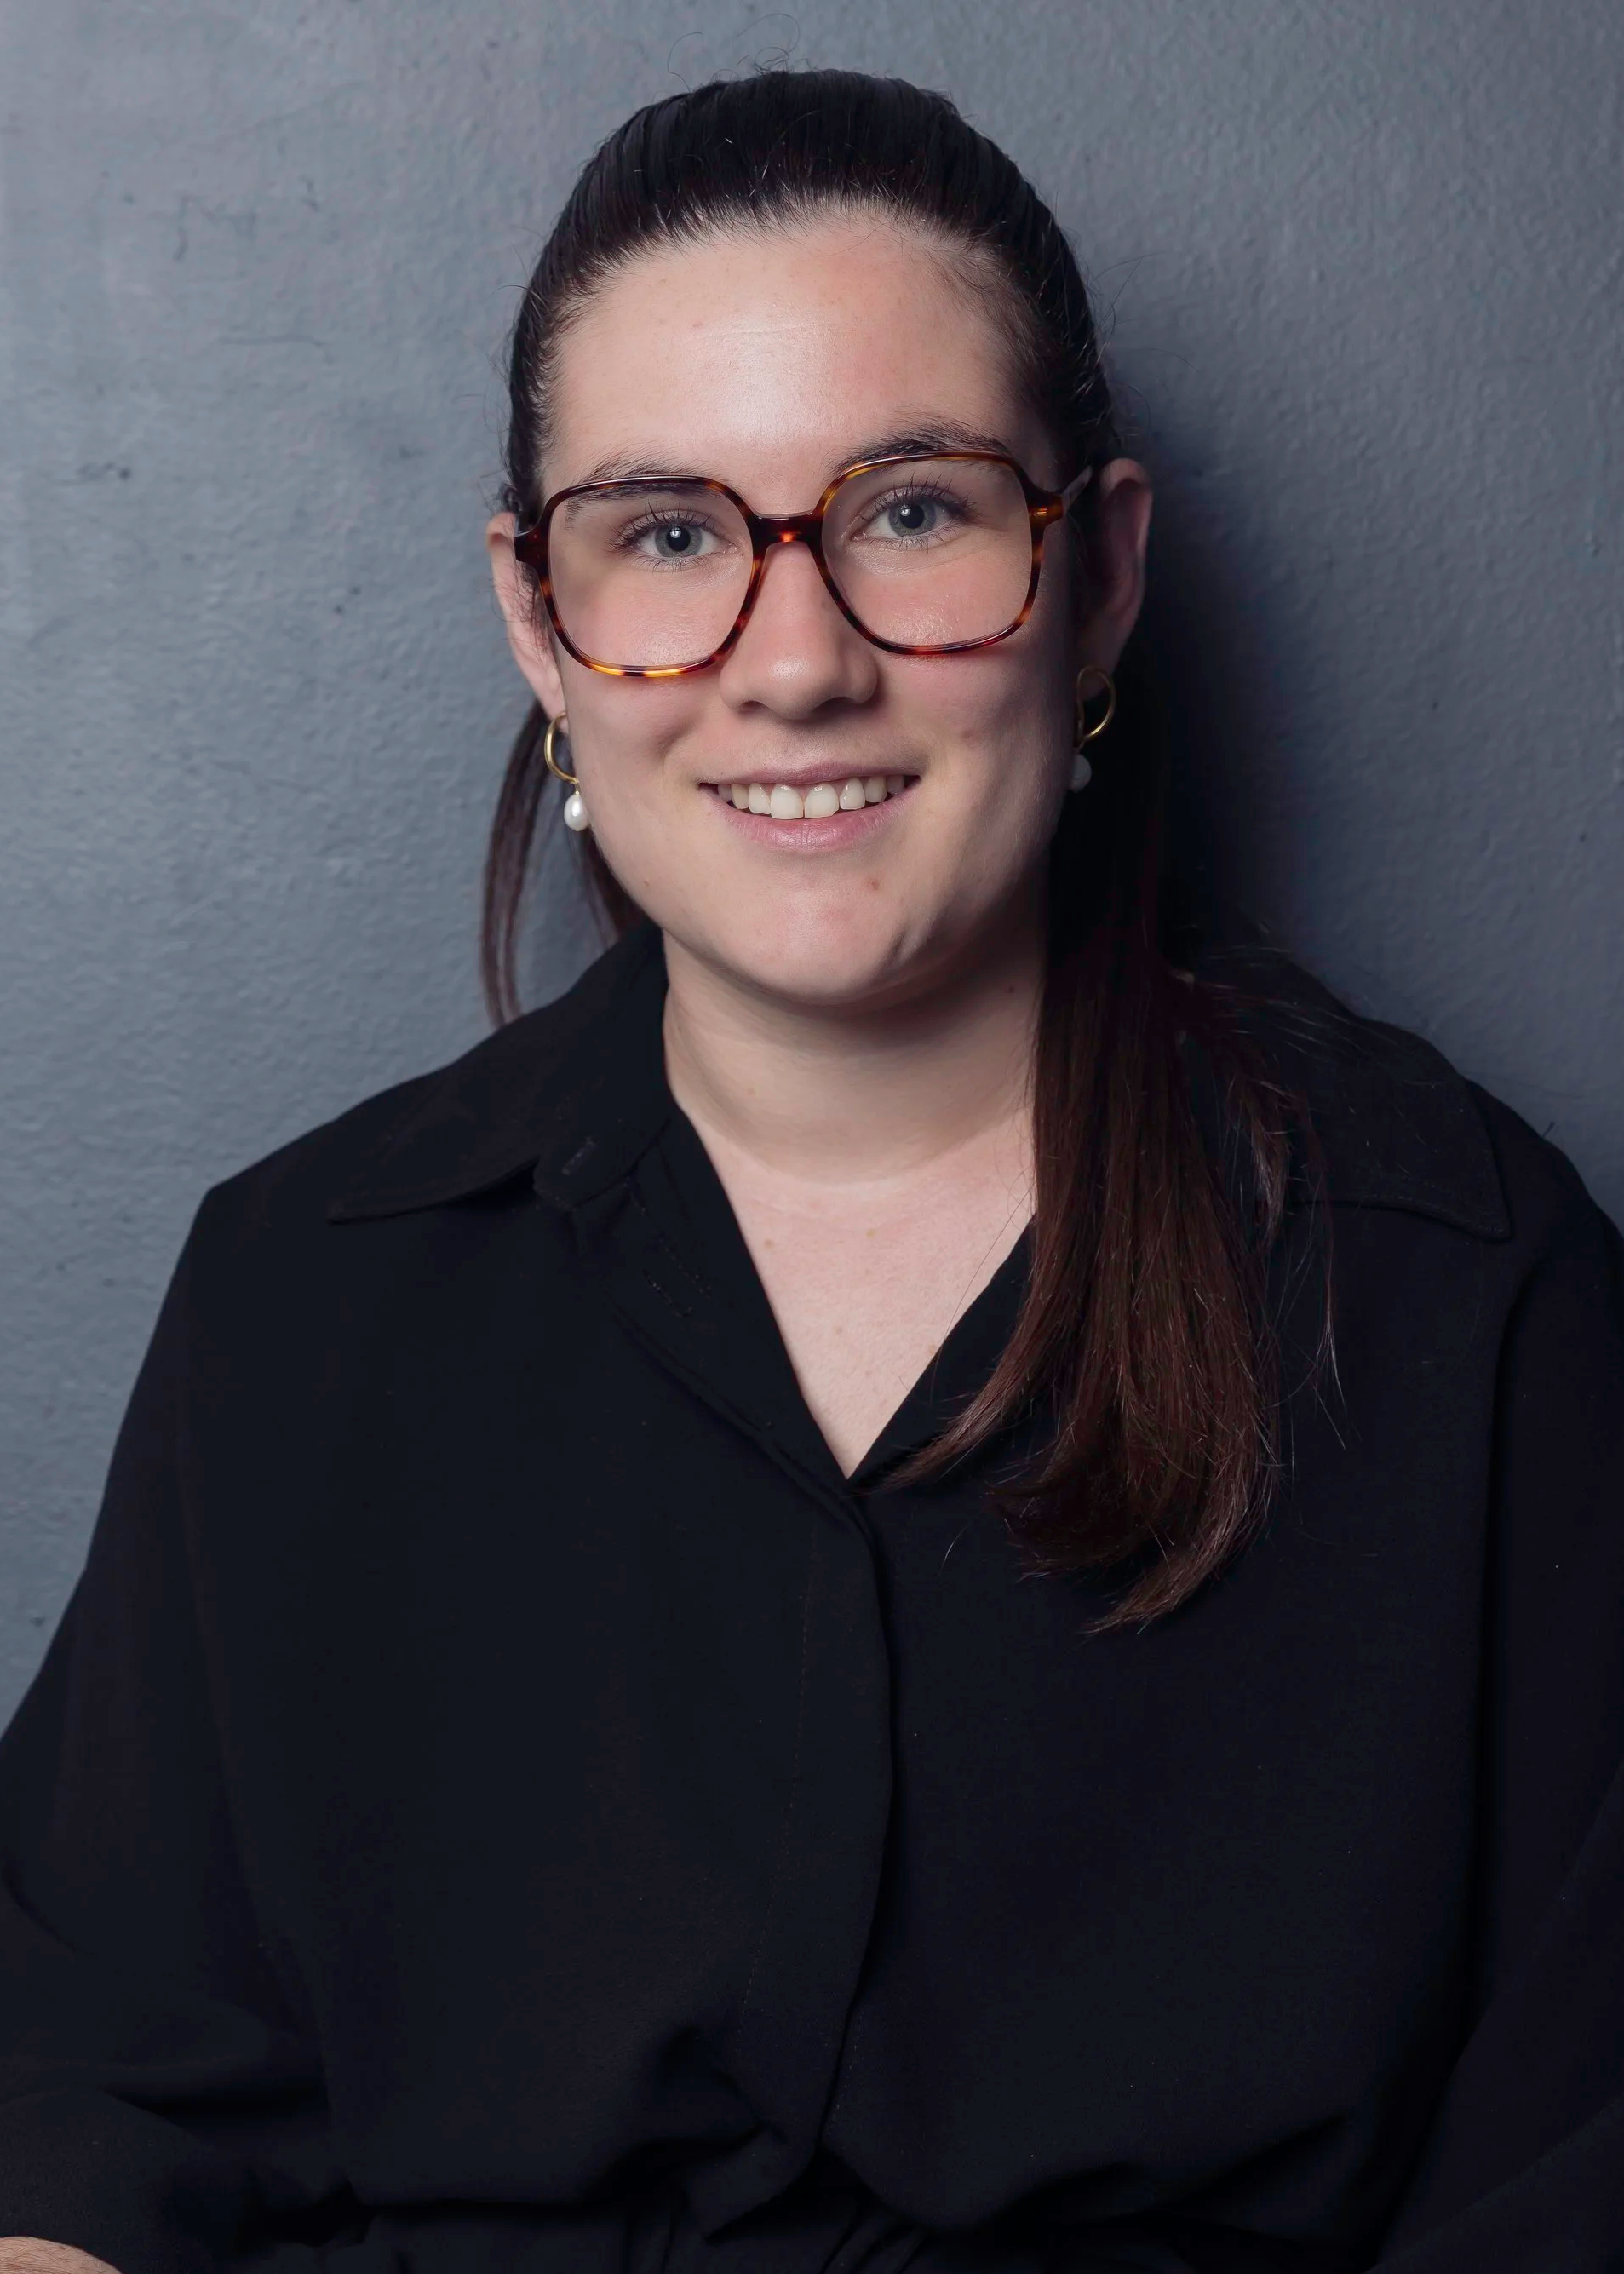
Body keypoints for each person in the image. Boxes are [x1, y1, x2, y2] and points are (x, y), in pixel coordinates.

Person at [2, 66, 1621, 2274]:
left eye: (916, 511)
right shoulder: (306, 1297)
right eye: (667, 534)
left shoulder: (1472, 1294)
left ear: (1103, 575)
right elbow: (75, 2091)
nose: (795, 662)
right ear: (537, 622)